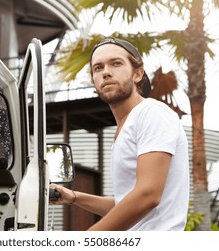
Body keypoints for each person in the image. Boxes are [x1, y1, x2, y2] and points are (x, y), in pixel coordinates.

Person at [51, 37, 189, 231]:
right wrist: (73, 197)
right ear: (94, 81)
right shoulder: (124, 129)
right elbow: (125, 204)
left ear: (137, 74)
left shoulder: (152, 112)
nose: (106, 72)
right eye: (98, 68)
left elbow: (148, 195)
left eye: (116, 63)